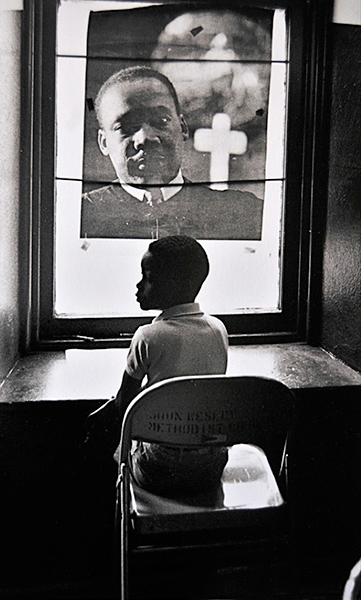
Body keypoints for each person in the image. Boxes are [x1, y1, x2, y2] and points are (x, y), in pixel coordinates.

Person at [84, 235, 229, 498]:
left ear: (176, 284)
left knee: (104, 448)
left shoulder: (148, 335)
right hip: (210, 467)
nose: (139, 285)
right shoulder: (218, 329)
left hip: (158, 469)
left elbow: (125, 406)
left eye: (148, 277)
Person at [81, 66, 263, 240]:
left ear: (183, 128)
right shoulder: (82, 214)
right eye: (125, 127)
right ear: (104, 143)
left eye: (161, 120)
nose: (145, 138)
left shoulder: (243, 214)